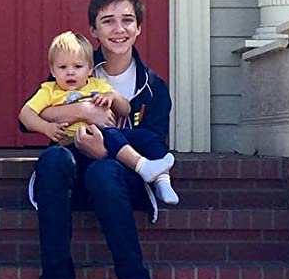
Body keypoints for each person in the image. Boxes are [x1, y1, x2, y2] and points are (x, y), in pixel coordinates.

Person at [17, 0, 174, 279]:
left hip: (120, 180)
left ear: (139, 28)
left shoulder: (153, 87)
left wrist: (104, 151)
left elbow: (153, 143)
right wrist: (83, 110)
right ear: (94, 30)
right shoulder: (76, 66)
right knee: (53, 161)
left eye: (127, 20)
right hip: (71, 174)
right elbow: (31, 117)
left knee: (103, 171)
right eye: (108, 21)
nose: (119, 29)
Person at [20, 31, 175, 188]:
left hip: (103, 137)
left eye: (78, 66)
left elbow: (126, 110)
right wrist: (46, 127)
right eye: (62, 67)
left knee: (145, 137)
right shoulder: (50, 90)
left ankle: (162, 180)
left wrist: (112, 97)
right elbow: (25, 114)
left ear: (90, 69)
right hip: (71, 143)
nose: (70, 72)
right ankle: (141, 166)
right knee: (63, 155)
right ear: (53, 71)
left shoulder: (98, 85)